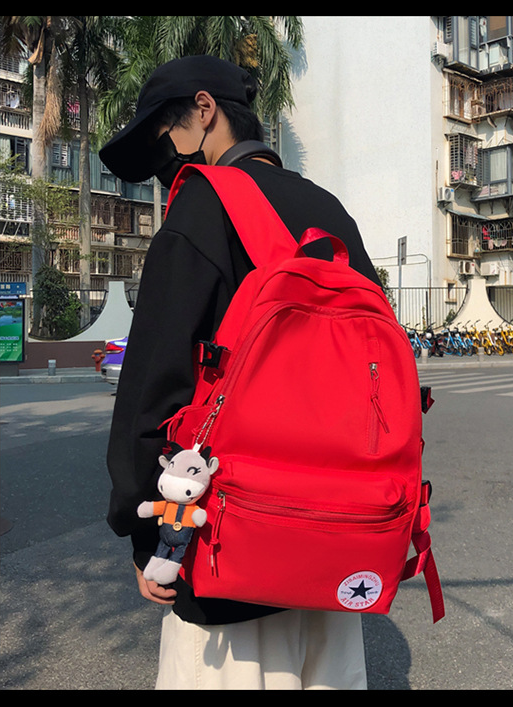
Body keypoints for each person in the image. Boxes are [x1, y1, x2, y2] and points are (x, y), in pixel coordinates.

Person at [100, 55, 378, 690]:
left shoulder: (201, 207)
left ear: (204, 111)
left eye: (164, 136)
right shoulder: (328, 210)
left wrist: (146, 535)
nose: (165, 161)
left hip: (229, 544)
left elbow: (154, 383)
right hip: (337, 536)